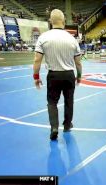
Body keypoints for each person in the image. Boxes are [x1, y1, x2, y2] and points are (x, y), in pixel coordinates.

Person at [33, 9, 82, 139]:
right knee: (69, 101)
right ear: (64, 21)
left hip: (53, 75)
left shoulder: (43, 37)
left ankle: (54, 128)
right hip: (69, 75)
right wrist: (80, 76)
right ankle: (67, 125)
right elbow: (78, 63)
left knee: (52, 102)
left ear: (50, 21)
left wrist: (36, 77)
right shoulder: (72, 39)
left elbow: (37, 59)